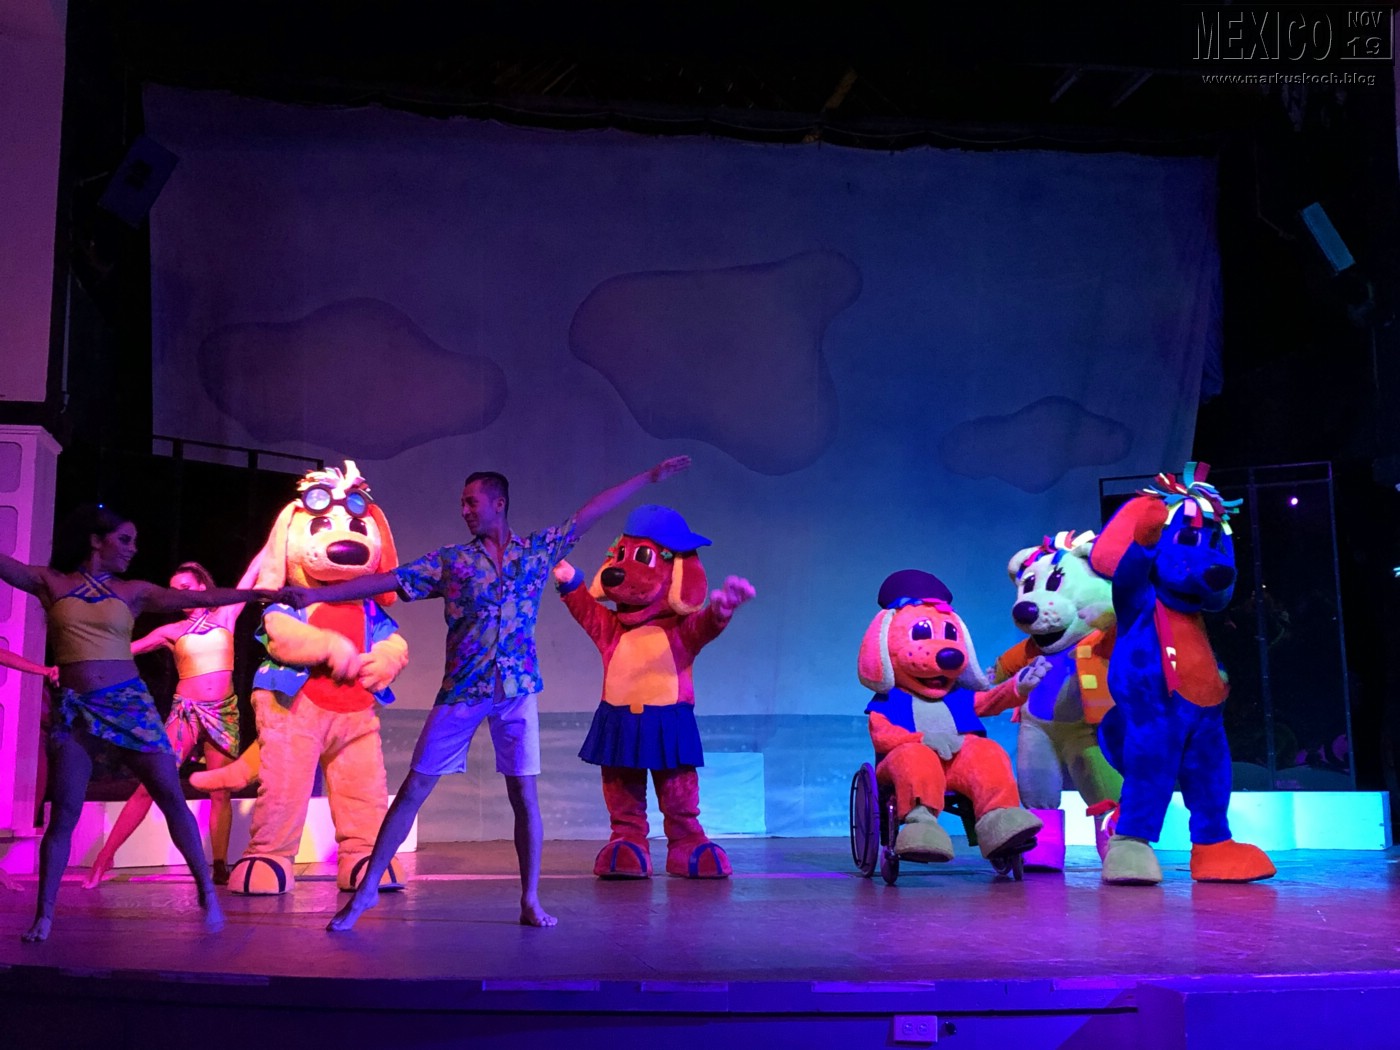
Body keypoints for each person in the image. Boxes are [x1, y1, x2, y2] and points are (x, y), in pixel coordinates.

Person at [314, 456, 691, 931]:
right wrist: (317, 594)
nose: (465, 510)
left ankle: (530, 899)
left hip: (516, 692)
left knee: (524, 797)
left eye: (472, 502)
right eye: (462, 503)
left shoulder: (535, 553)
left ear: (499, 503)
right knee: (413, 788)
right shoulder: (453, 561)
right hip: (463, 690)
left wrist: (647, 477)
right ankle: (367, 889)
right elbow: (390, 580)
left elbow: (588, 514)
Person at [0, 504, 284, 942]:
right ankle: (45, 916)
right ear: (96, 541)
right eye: (125, 540)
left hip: (130, 706)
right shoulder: (51, 583)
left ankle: (208, 890)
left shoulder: (133, 591)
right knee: (65, 814)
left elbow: (206, 598)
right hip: (77, 708)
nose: (133, 549)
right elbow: (8, 568)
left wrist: (262, 593)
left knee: (170, 795)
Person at [83, 556, 262, 889]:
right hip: (186, 713)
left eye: (185, 587)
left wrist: (279, 535)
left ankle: (219, 865)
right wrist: (80, 661)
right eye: (174, 590)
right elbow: (126, 650)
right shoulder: (172, 631)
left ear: (203, 587)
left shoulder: (225, 615)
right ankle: (104, 857)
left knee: (220, 790)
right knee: (151, 784)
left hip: (222, 712)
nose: (179, 595)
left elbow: (251, 573)